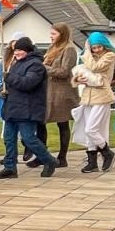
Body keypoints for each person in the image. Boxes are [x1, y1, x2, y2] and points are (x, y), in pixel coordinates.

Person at [0, 37, 57, 179]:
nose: (17, 53)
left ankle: (49, 160)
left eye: (20, 50)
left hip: (28, 109)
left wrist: (9, 78)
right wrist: (4, 89)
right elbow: (14, 84)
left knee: (28, 139)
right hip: (13, 107)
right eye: (15, 50)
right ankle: (10, 167)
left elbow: (28, 83)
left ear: (27, 50)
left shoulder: (36, 65)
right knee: (9, 138)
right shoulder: (16, 64)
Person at [73, 33, 115, 174]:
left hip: (102, 96)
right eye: (94, 48)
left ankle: (107, 152)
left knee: (91, 129)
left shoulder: (110, 55)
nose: (97, 50)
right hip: (88, 96)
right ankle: (92, 162)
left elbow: (95, 68)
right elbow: (77, 77)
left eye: (99, 47)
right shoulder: (89, 58)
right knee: (89, 130)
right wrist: (77, 80)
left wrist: (86, 51)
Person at [39, 24, 79, 168]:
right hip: (50, 90)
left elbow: (64, 71)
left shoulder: (69, 49)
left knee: (62, 123)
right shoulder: (52, 48)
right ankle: (42, 153)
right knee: (42, 122)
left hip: (62, 92)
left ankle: (63, 156)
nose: (51, 36)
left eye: (54, 34)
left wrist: (46, 69)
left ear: (62, 34)